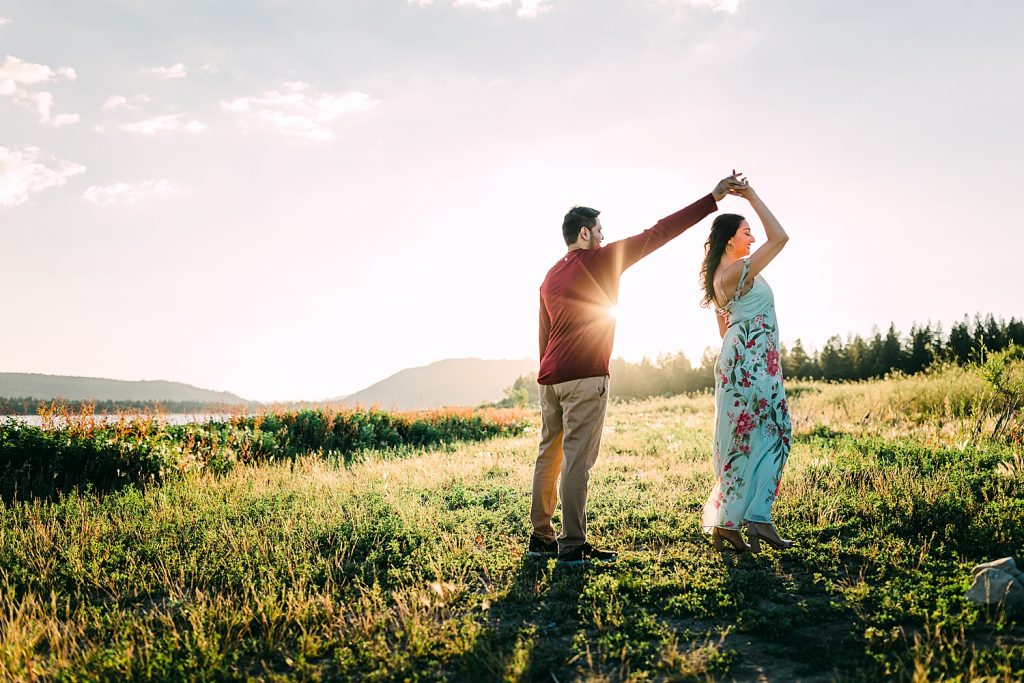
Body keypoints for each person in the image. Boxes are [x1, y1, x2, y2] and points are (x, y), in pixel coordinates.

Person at [530, 173, 745, 566]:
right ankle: (573, 544)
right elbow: (660, 232)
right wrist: (711, 198)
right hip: (585, 376)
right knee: (577, 460)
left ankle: (540, 537)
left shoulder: (549, 277)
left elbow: (543, 334)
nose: (603, 236)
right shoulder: (601, 259)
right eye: (598, 230)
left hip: (550, 379)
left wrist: (547, 372)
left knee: (550, 456)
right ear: (584, 234)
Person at [699, 175, 794, 553]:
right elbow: (782, 238)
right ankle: (756, 519)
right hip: (751, 363)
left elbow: (725, 330)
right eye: (746, 232)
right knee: (778, 432)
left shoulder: (721, 278)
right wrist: (752, 194)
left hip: (744, 361)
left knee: (745, 439)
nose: (752, 238)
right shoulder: (738, 272)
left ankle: (734, 524)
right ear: (729, 239)